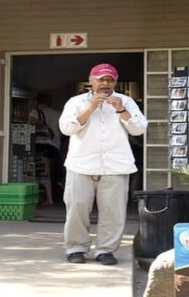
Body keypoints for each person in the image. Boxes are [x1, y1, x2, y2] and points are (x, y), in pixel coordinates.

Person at [59, 63, 147, 265]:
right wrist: (90, 108)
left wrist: (121, 110)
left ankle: (106, 249)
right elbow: (66, 128)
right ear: (91, 81)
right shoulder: (76, 102)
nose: (105, 84)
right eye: (101, 79)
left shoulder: (125, 101)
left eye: (110, 80)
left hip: (115, 164)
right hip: (81, 163)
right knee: (77, 208)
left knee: (113, 211)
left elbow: (139, 129)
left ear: (115, 82)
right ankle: (76, 247)